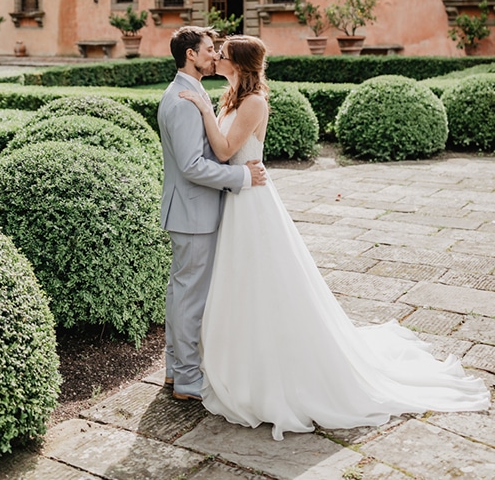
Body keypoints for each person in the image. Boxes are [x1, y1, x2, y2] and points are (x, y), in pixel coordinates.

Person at [179, 35, 490, 440]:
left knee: (263, 283)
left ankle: (273, 369)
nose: (216, 57)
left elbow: (223, 152)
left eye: (222, 54)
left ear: (237, 63)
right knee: (240, 283)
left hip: (251, 204)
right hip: (237, 200)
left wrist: (202, 108)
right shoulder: (232, 96)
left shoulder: (253, 102)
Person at [158, 26, 266, 403]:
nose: (214, 55)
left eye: (218, 52)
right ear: (191, 55)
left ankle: (176, 369)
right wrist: (242, 176)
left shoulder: (195, 92)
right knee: (190, 298)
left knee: (181, 293)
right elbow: (192, 166)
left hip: (194, 210)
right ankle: (187, 380)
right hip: (193, 212)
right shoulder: (184, 100)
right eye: (208, 50)